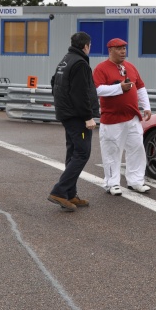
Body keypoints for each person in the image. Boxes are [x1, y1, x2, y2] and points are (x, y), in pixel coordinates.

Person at [47, 32, 99, 212]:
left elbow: (54, 83)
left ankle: (70, 194)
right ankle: (59, 191)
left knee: (73, 153)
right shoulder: (80, 63)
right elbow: (80, 93)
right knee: (82, 153)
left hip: (66, 114)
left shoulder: (65, 60)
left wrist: (63, 107)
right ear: (86, 46)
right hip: (77, 117)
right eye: (90, 45)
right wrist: (87, 117)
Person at [93, 38, 152, 196]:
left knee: (137, 149)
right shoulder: (101, 68)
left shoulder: (130, 67)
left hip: (132, 117)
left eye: (124, 48)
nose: (123, 51)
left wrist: (146, 106)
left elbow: (140, 87)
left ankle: (136, 181)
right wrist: (119, 88)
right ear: (110, 50)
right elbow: (97, 90)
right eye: (119, 48)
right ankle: (111, 183)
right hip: (112, 119)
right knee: (112, 151)